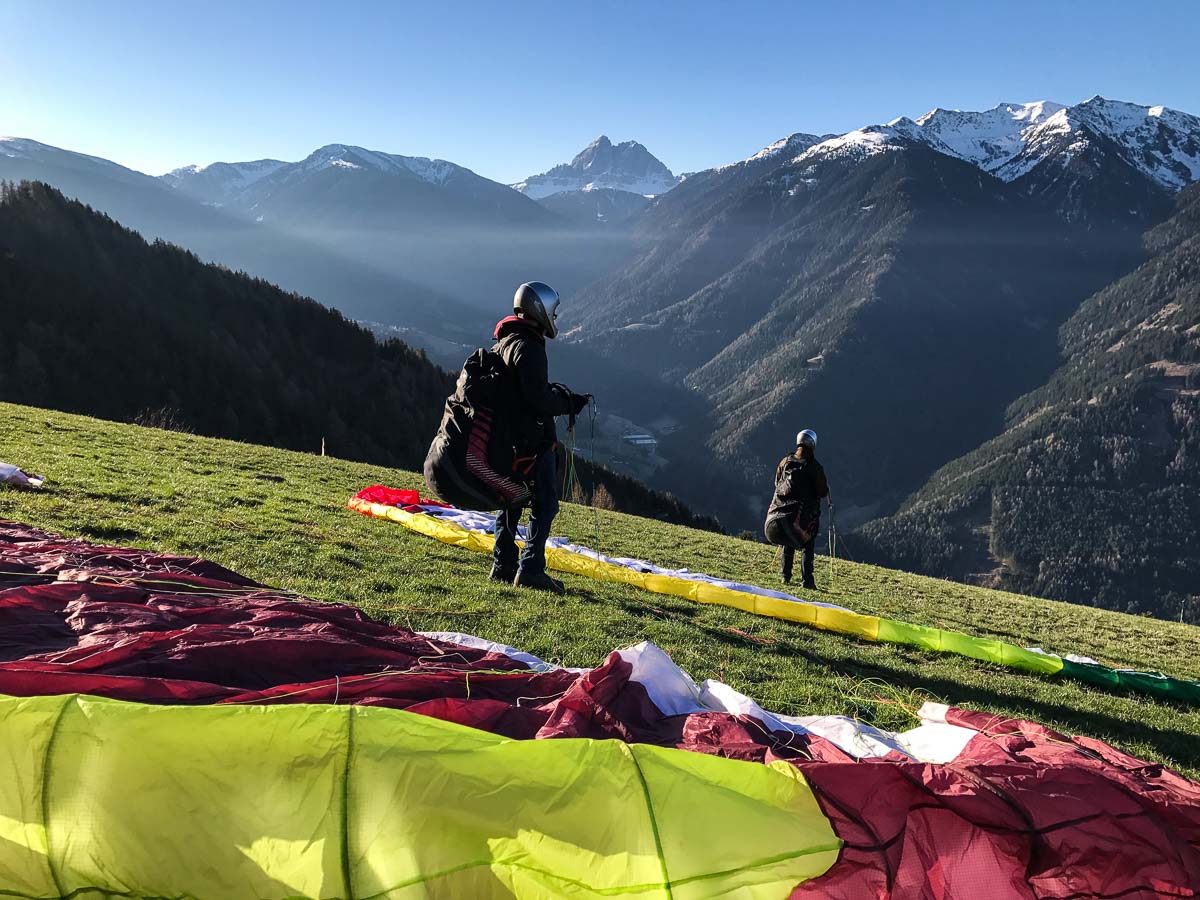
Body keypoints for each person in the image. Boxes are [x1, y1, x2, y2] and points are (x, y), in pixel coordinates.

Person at [490, 282, 590, 593]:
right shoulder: (530, 346)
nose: (554, 318)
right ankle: (531, 569)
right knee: (545, 505)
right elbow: (537, 400)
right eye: (553, 312)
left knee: (511, 501)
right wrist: (568, 404)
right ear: (540, 310)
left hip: (507, 441)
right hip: (531, 444)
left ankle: (503, 565)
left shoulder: (505, 342)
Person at [764, 429, 828, 589]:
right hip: (799, 520)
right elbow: (822, 492)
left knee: (789, 537)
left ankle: (785, 576)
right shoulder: (814, 467)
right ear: (813, 444)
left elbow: (777, 483)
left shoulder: (785, 462)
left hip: (775, 521)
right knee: (807, 542)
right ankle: (808, 581)